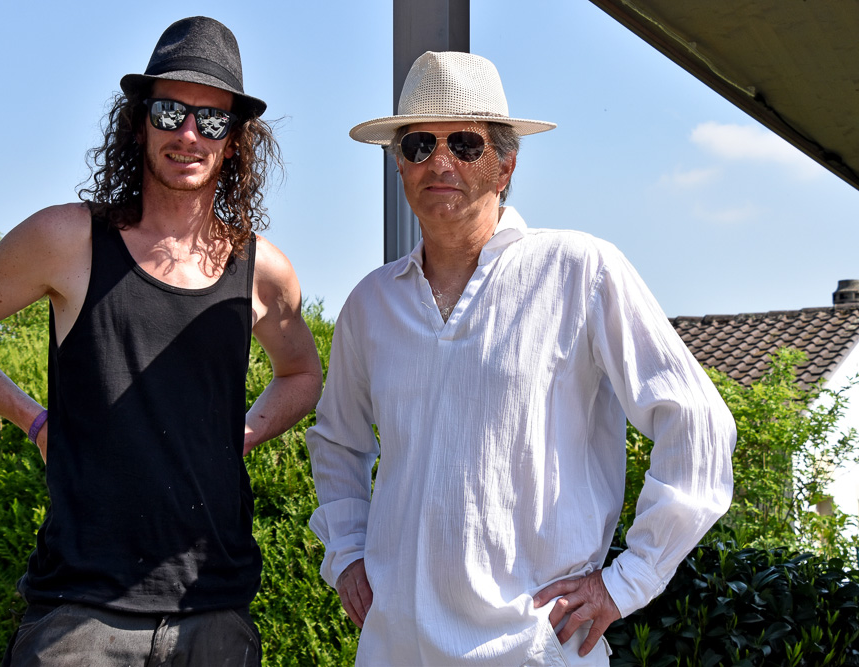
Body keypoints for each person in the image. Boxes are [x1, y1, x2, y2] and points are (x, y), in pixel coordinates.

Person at [0, 16, 322, 667]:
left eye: (213, 120)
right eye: (170, 112)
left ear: (236, 141)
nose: (189, 134)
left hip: (214, 609)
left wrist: (240, 434)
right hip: (79, 615)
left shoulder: (262, 270)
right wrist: (34, 419)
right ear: (139, 122)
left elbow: (302, 374)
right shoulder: (67, 239)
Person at [306, 51, 735, 666]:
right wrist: (347, 552)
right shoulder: (370, 304)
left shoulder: (579, 270)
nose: (441, 162)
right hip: (393, 650)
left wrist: (627, 581)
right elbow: (337, 442)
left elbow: (697, 422)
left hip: (536, 650)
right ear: (399, 164)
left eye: (465, 144)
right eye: (420, 145)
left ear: (505, 165)